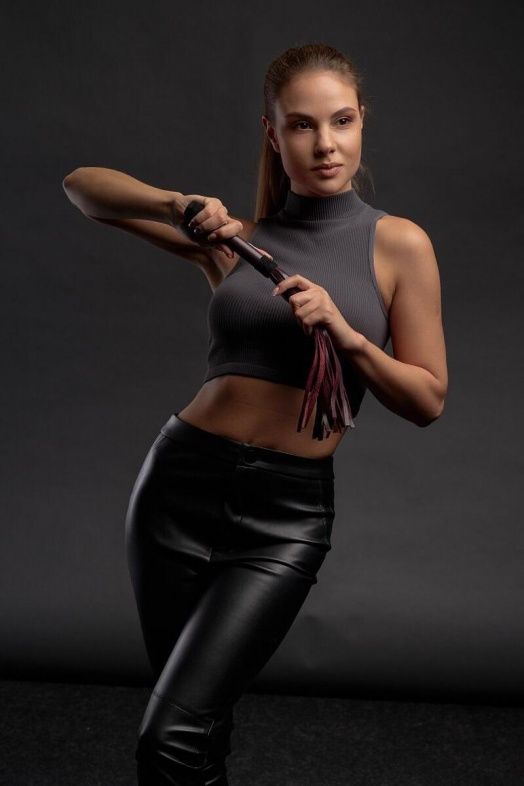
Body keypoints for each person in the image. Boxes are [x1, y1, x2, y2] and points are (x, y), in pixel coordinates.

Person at [63, 42, 447, 786]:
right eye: (302, 125)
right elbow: (83, 190)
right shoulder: (237, 242)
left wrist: (346, 335)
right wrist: (178, 206)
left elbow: (428, 399)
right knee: (196, 730)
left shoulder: (399, 244)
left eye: (341, 121)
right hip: (178, 486)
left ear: (362, 122)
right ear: (273, 134)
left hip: (284, 516)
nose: (325, 143)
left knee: (171, 736)